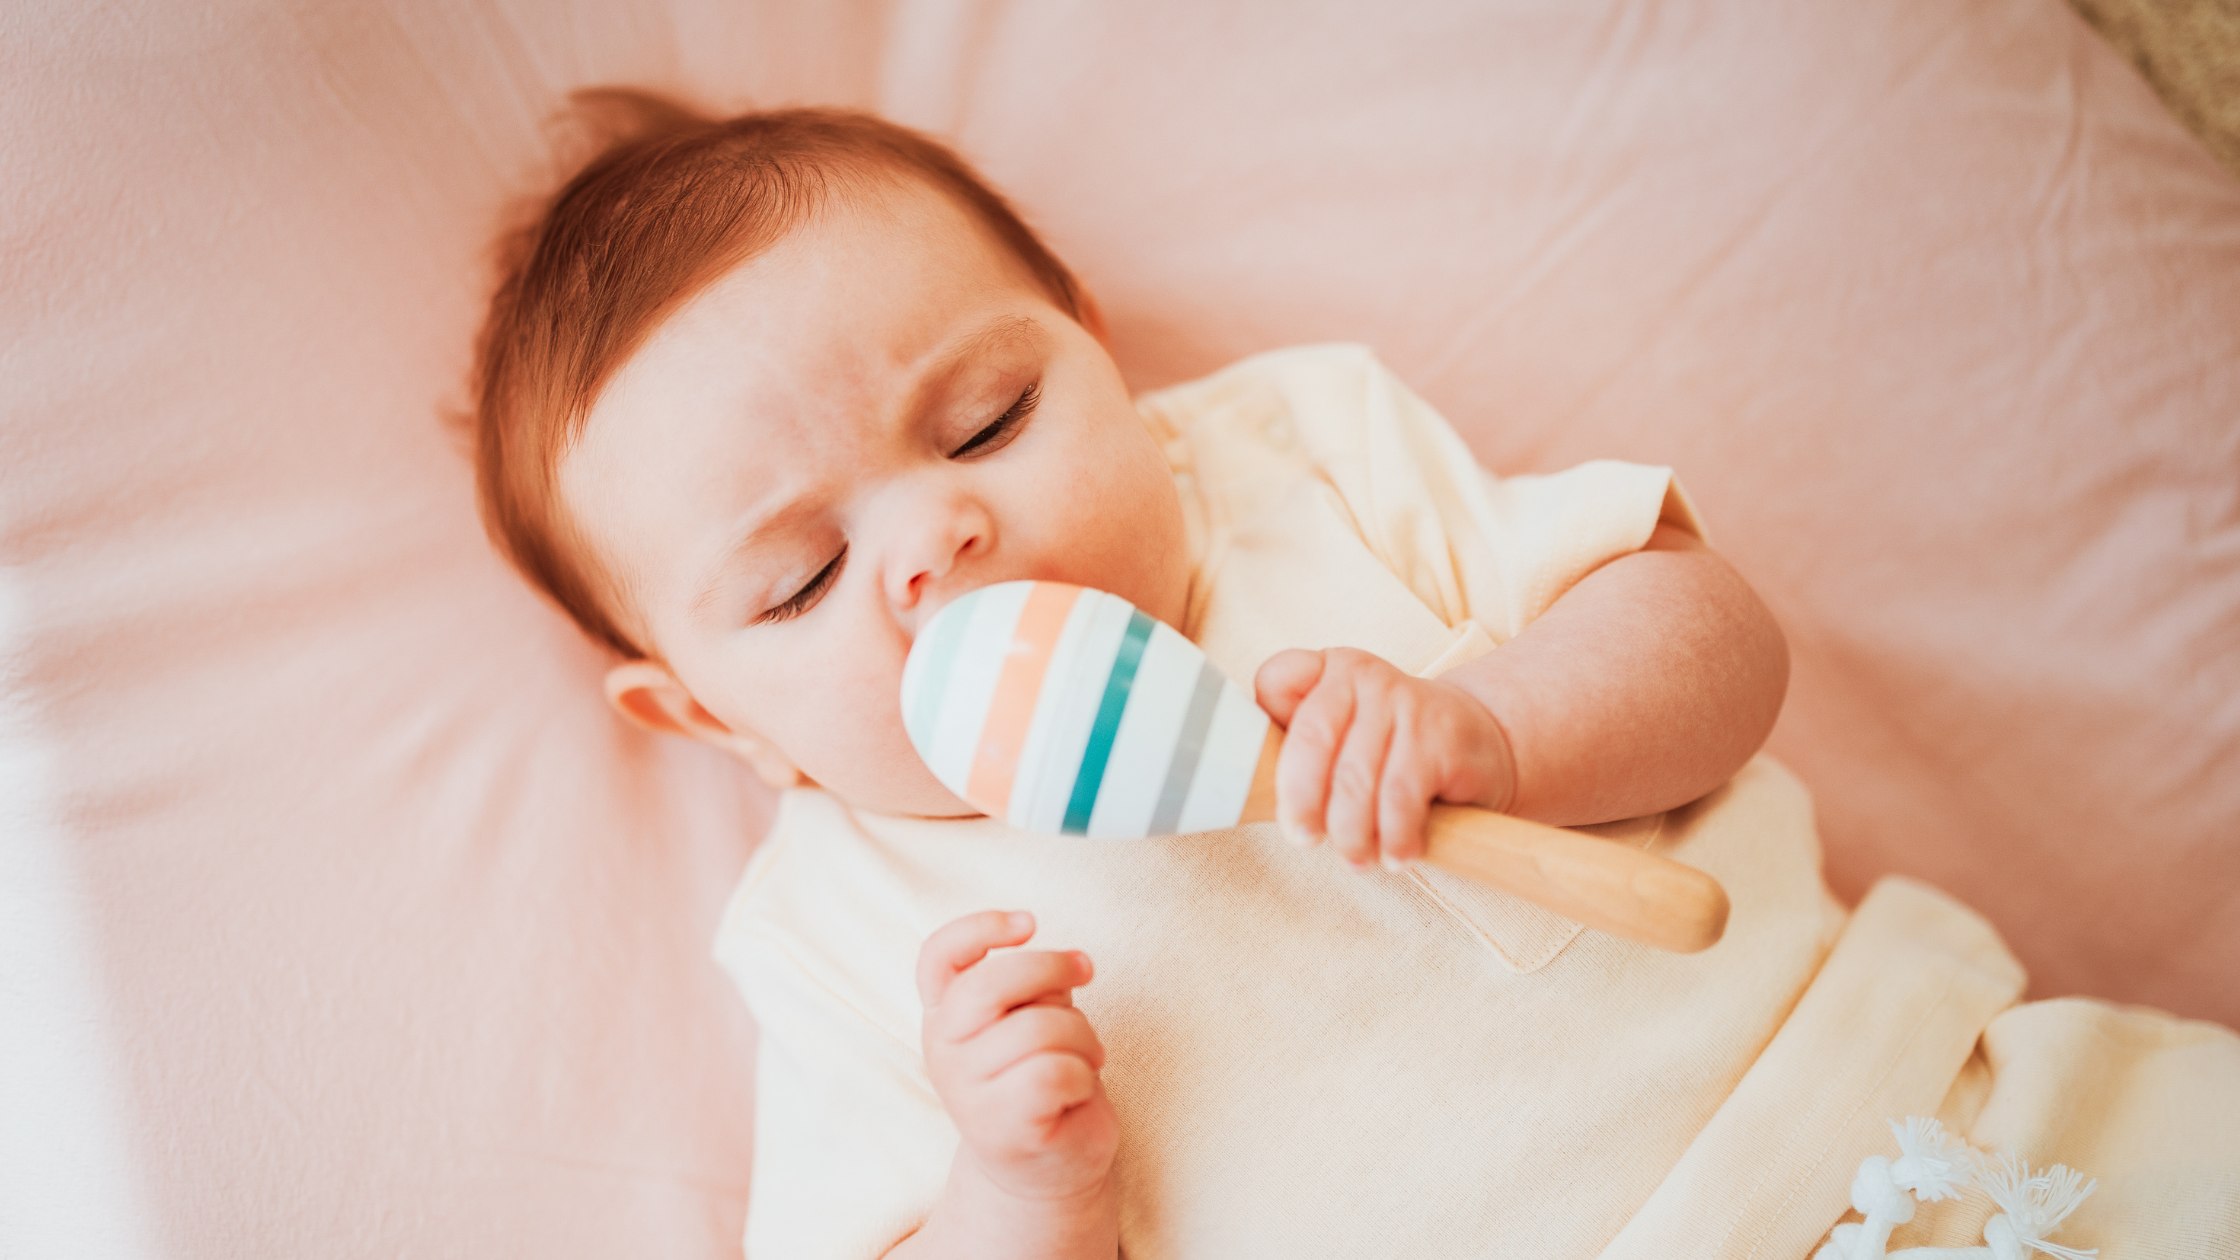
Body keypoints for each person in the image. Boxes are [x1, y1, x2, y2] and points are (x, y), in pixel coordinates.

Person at [469, 95, 2240, 1260]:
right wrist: (1021, 1185)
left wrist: (1505, 726)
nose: (933, 544)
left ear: (1099, 347)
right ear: (704, 715)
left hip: (1943, 1140)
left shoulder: (1300, 460)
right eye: (799, 579)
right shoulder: (849, 942)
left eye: (991, 419)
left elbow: (1716, 637)